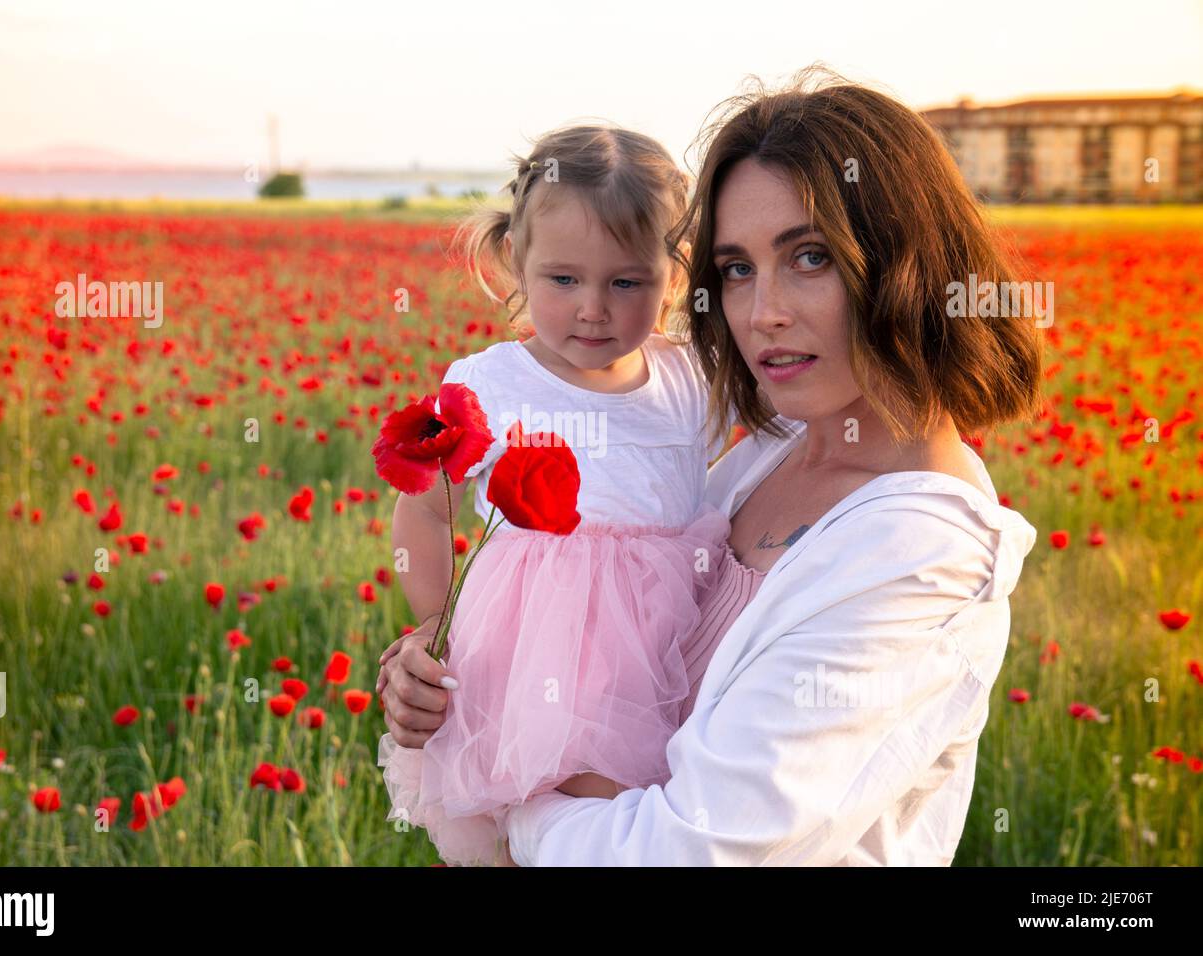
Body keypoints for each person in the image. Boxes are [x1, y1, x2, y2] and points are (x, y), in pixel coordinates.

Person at [379, 71, 1044, 866]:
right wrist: (441, 657)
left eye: (810, 257)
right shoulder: (777, 443)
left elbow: (693, 847)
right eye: (736, 269)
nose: (762, 312)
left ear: (906, 260)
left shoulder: (918, 552)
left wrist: (517, 810)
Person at [376, 124, 732, 866]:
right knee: (513, 831)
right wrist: (436, 621)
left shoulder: (690, 381)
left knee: (613, 831)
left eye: (626, 282)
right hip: (519, 663)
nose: (593, 309)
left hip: (656, 664)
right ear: (515, 259)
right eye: (563, 280)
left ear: (675, 274)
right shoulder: (490, 385)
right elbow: (423, 507)